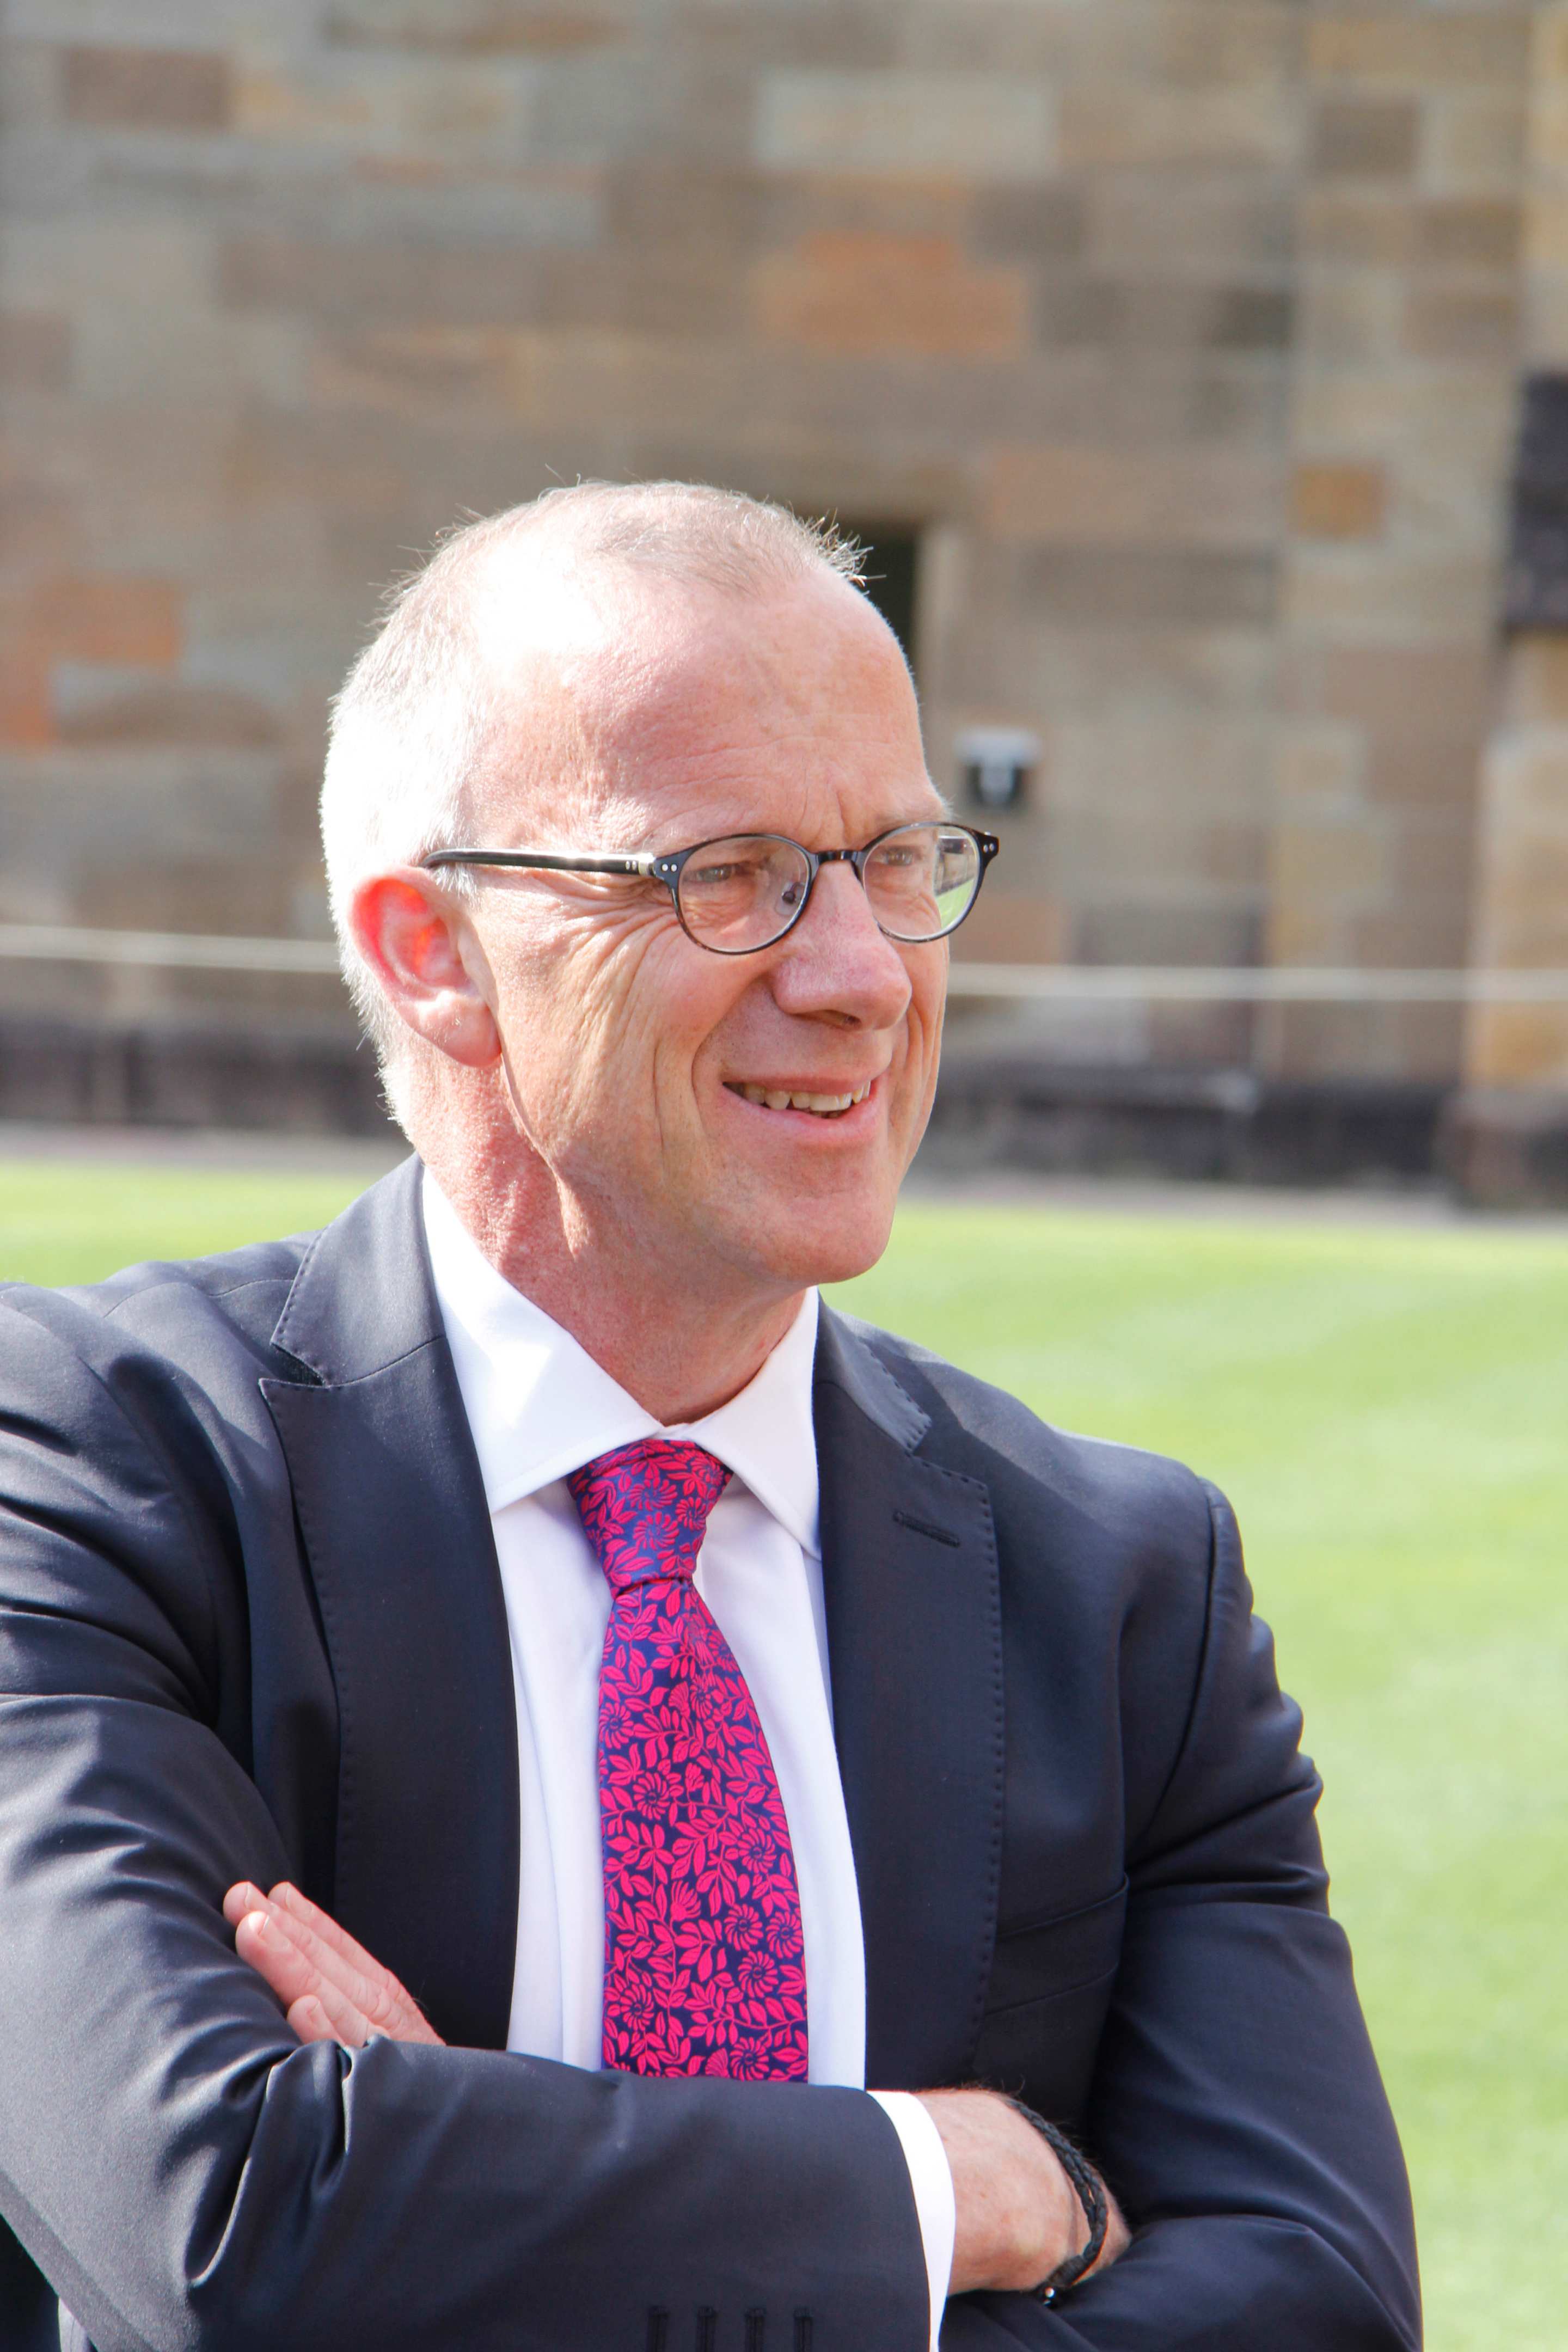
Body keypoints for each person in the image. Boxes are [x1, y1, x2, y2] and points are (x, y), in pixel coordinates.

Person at [0, 482, 1418, 2352]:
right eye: (728, 873)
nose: (858, 979)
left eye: (900, 862)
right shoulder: (100, 1475)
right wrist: (955, 2188)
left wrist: (468, 2190)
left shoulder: (1124, 1590)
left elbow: (1313, 2307)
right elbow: (229, 2220)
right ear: (436, 953)